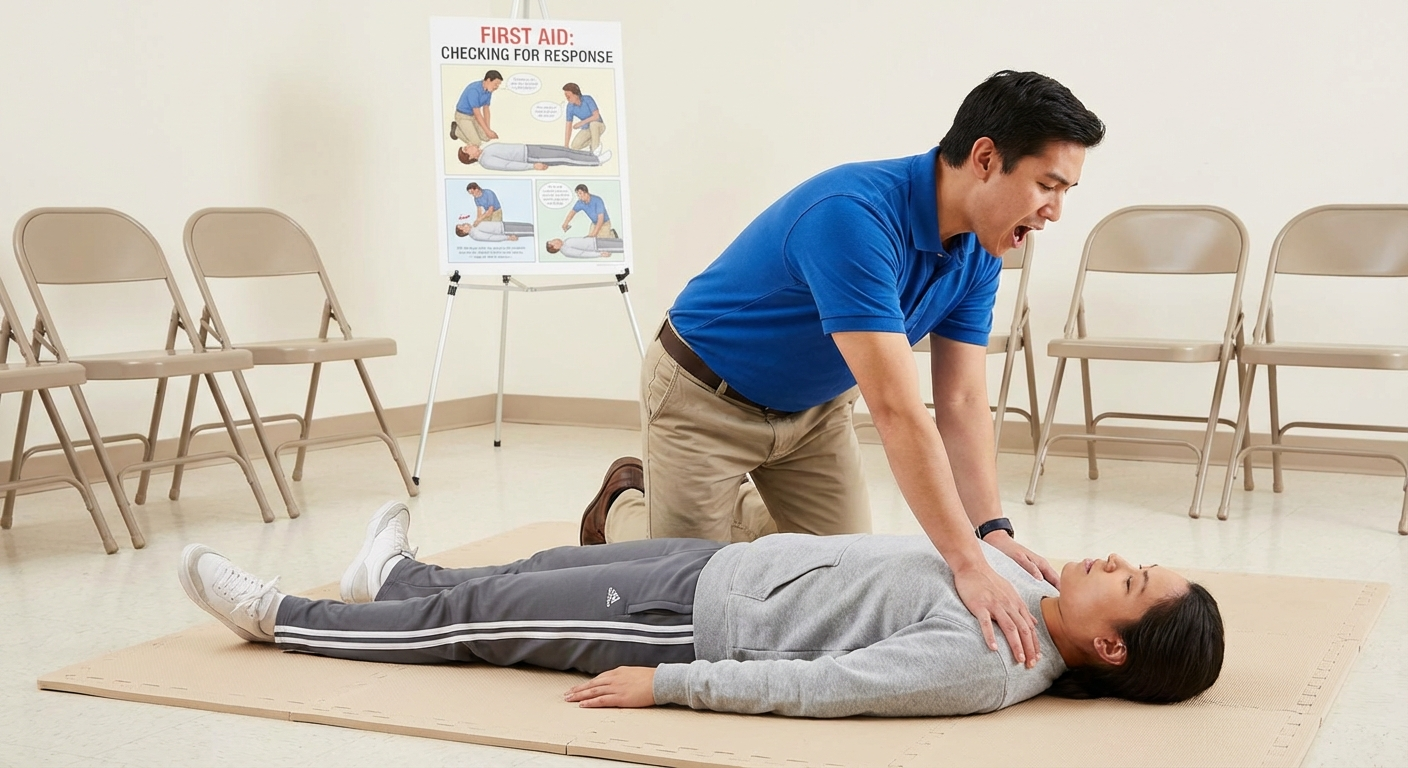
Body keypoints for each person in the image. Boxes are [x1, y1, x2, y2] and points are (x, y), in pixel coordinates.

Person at [577, 70, 1105, 670]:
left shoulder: (981, 251)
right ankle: (622, 503)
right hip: (705, 398)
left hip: (814, 413)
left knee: (835, 577)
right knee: (686, 594)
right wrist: (965, 562)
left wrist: (991, 531)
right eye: (1048, 185)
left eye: (1066, 193)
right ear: (985, 158)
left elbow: (957, 402)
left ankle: (732, 508)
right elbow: (899, 412)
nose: (1056, 211)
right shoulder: (854, 216)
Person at [178, 502, 1225, 718]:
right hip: (725, 563)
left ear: (1104, 645)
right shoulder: (1033, 587)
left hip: (693, 626)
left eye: (1129, 583)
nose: (1115, 558)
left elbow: (819, 687)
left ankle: (284, 616)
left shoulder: (983, 666)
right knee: (539, 561)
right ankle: (398, 577)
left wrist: (669, 683)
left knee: (484, 622)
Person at [458, 142, 612, 171]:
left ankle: (591, 155)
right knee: (564, 157)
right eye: (466, 148)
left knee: (564, 151)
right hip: (530, 157)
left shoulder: (486, 151)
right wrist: (532, 166)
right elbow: (508, 166)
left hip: (529, 148)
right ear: (470, 157)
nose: (469, 144)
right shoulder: (486, 161)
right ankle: (596, 161)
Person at [451, 71, 503, 148]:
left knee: (486, 137)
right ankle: (456, 131)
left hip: (473, 117)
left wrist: (488, 130)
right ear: (488, 80)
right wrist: (488, 131)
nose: (497, 87)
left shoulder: (488, 90)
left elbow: (486, 109)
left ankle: (467, 131)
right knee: (476, 143)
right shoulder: (474, 90)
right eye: (496, 84)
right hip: (463, 116)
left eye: (498, 85)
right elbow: (477, 113)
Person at [562, 82, 606, 154]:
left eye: (568, 96)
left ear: (576, 94)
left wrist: (581, 123)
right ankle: (594, 142)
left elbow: (596, 116)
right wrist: (566, 145)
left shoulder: (587, 99)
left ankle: (595, 150)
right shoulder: (570, 107)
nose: (567, 98)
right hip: (587, 128)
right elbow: (568, 126)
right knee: (574, 146)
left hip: (599, 125)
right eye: (566, 96)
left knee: (593, 124)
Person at [546, 236, 623, 259]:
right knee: (622, 246)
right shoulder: (566, 250)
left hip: (597, 240)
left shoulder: (566, 242)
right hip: (598, 246)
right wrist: (600, 254)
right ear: (555, 247)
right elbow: (582, 254)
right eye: (553, 241)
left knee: (621, 242)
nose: (555, 239)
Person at [455, 220, 534, 241]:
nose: (464, 223)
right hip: (505, 230)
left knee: (530, 226)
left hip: (503, 224)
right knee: (531, 230)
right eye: (462, 226)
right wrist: (508, 238)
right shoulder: (475, 234)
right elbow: (491, 237)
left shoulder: (474, 226)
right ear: (464, 231)